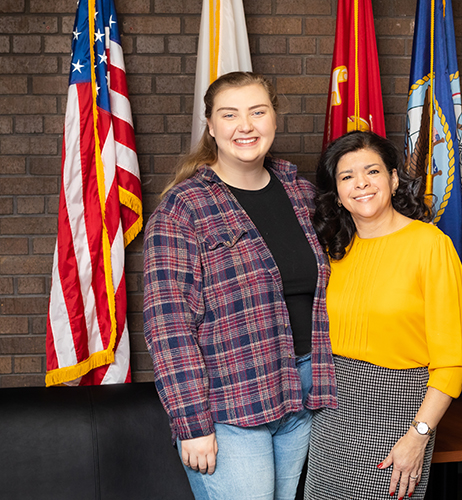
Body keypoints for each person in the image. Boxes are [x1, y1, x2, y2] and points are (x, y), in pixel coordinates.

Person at [142, 71, 337, 500]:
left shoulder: (302, 194)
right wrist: (192, 424)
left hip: (303, 393)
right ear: (211, 127)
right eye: (229, 114)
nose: (245, 125)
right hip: (229, 402)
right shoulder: (184, 207)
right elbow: (168, 326)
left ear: (274, 118)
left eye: (257, 111)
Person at [305, 131, 462, 500]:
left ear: (394, 179)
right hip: (332, 417)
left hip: (398, 416)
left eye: (372, 172)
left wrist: (419, 437)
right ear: (337, 191)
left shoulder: (431, 246)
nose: (361, 184)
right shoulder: (335, 251)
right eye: (347, 176)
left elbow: (452, 363)